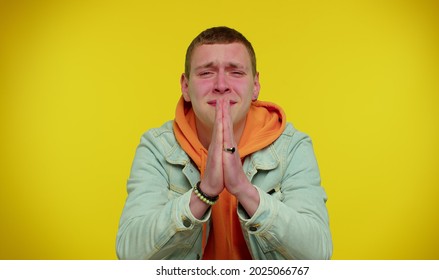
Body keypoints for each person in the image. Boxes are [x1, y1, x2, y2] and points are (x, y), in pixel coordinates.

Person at [116, 26, 332, 260]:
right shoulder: (157, 147)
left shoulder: (292, 146)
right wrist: (204, 192)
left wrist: (244, 190)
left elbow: (318, 255)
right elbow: (130, 254)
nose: (221, 85)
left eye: (235, 72)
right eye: (206, 73)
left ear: (256, 86)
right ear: (186, 86)